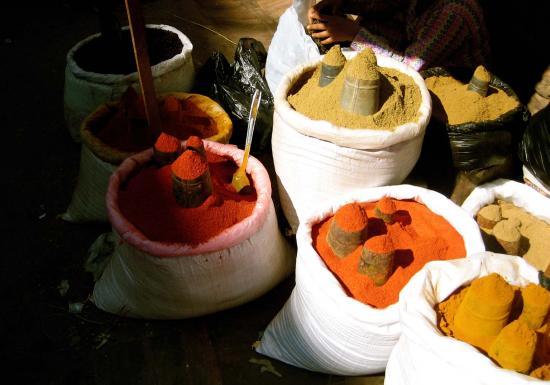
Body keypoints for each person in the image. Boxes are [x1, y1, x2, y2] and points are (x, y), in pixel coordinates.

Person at [307, 0, 491, 71]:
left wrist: (353, 34)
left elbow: (409, 68)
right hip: (412, 46)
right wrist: (341, 4)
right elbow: (386, 5)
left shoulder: (453, 14)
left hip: (447, 79)